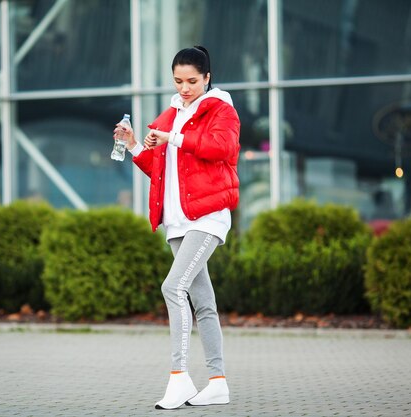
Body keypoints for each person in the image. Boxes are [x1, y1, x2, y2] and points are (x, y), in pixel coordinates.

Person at [113, 45, 240, 410]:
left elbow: (222, 147)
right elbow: (160, 170)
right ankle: (218, 383)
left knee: (173, 287)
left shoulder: (221, 109)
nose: (184, 88)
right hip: (178, 222)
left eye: (192, 81)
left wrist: (175, 138)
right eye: (178, 81)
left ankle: (179, 377)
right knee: (203, 304)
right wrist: (134, 144)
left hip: (208, 216)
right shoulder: (171, 113)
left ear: (207, 78)